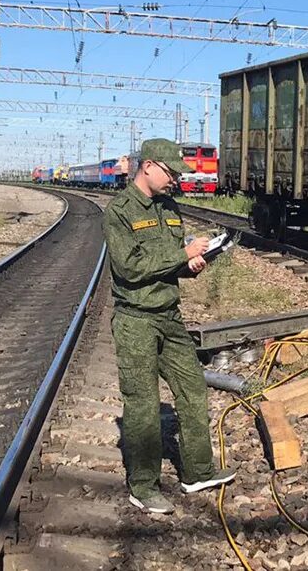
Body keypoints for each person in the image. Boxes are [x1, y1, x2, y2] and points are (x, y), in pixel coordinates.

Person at [102, 138, 235, 515]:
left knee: (193, 388)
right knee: (142, 404)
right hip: (136, 320)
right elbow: (129, 268)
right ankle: (143, 486)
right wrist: (182, 254)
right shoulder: (120, 211)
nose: (175, 179)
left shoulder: (169, 207)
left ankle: (197, 471)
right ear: (148, 167)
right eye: (170, 172)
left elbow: (169, 263)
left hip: (169, 316)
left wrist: (190, 265)